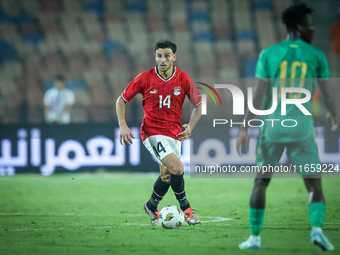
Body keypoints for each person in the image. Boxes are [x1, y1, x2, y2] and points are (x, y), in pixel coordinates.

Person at [236, 4, 339, 251]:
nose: (314, 28)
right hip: (302, 128)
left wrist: (244, 128)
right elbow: (328, 95)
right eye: (311, 24)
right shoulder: (316, 56)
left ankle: (254, 238)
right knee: (314, 185)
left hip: (272, 127)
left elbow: (259, 94)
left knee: (260, 182)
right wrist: (335, 116)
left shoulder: (269, 54)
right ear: (300, 27)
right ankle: (316, 230)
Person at [116, 40, 202, 226]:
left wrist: (191, 126)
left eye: (167, 56)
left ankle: (151, 205)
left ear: (174, 57)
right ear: (155, 56)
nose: (163, 60)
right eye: (159, 56)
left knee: (167, 176)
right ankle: (186, 209)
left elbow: (199, 106)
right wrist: (122, 124)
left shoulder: (184, 79)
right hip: (152, 133)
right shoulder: (144, 78)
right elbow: (121, 100)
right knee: (178, 168)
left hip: (174, 134)